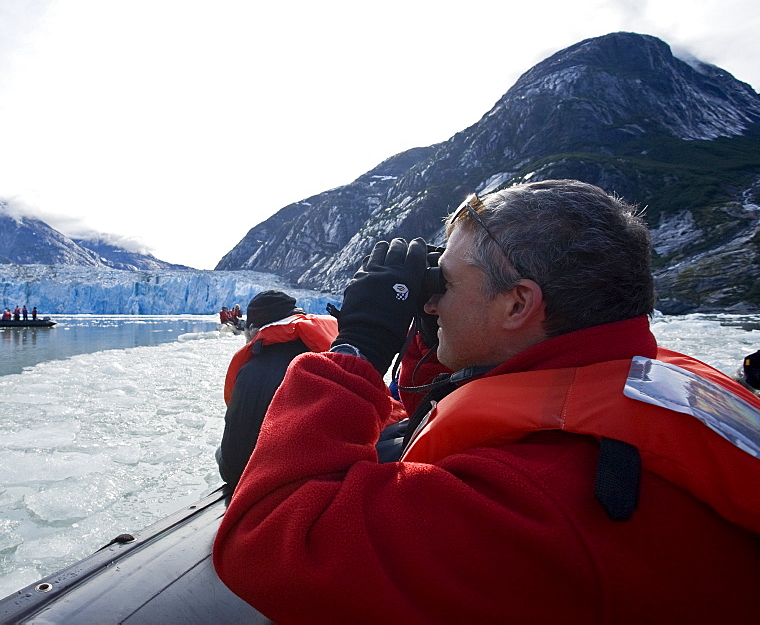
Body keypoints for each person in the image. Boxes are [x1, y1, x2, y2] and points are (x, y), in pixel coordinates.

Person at [213, 180, 760, 621]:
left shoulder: (535, 495)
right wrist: (438, 336)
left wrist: (356, 349)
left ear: (518, 303)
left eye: (444, 284)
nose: (430, 303)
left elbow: (267, 539)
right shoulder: (662, 380)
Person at [216, 291, 339, 487]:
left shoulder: (247, 368)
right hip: (301, 479)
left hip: (240, 474)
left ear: (254, 330)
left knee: (221, 451)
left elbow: (235, 454)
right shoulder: (322, 359)